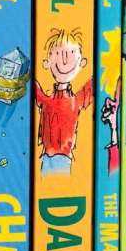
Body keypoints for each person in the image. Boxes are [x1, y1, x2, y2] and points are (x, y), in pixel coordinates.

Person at [34, 28, 93, 175]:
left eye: (71, 53)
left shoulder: (76, 100)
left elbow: (92, 86)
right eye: (58, 54)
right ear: (47, 63)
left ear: (82, 62)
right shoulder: (47, 100)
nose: (65, 60)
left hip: (64, 157)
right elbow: (37, 93)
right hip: (47, 155)